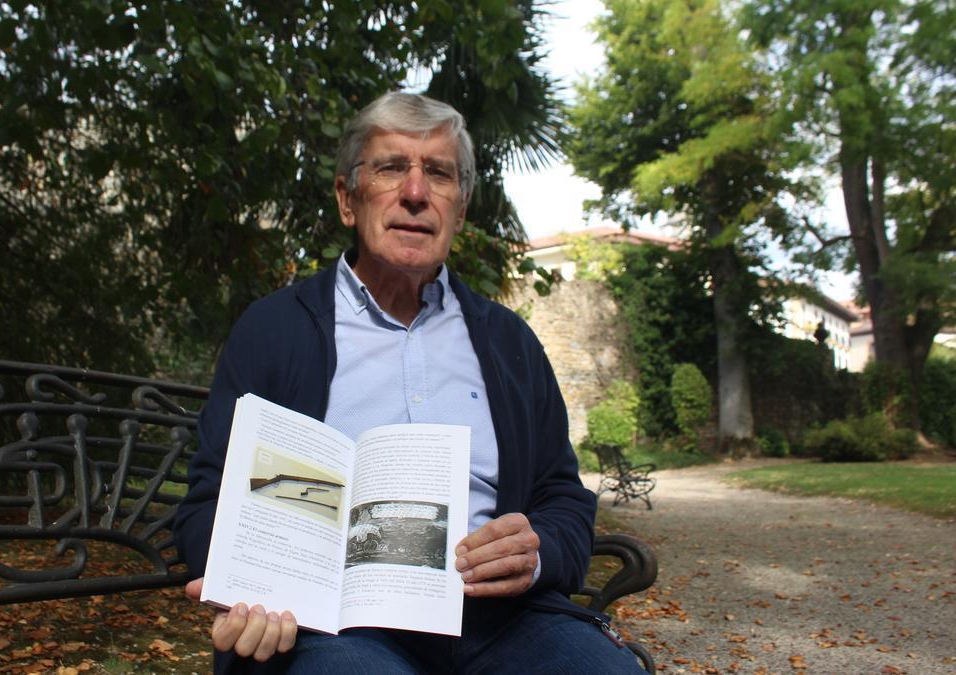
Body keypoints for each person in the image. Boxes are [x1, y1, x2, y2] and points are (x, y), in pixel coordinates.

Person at [172, 91, 647, 674]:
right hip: (337, 624)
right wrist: (248, 582)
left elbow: (563, 496)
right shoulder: (274, 330)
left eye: (439, 174)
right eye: (392, 167)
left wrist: (538, 552)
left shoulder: (509, 342)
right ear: (349, 199)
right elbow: (210, 500)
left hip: (503, 619)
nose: (416, 193)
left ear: (460, 208)